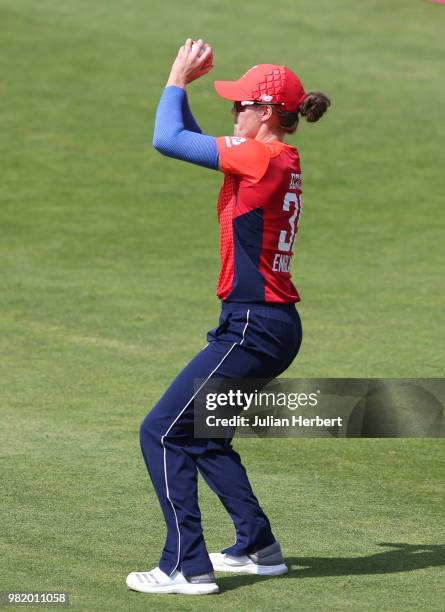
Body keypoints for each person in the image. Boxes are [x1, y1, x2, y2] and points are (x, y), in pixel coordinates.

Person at [126, 39, 331, 595]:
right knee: (206, 437)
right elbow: (194, 141)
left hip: (252, 325)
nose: (234, 111)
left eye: (242, 104)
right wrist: (186, 90)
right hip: (269, 323)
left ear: (266, 113)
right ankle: (258, 547)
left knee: (162, 433)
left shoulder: (259, 155)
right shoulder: (275, 155)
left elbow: (168, 139)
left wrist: (175, 78)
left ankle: (184, 568)